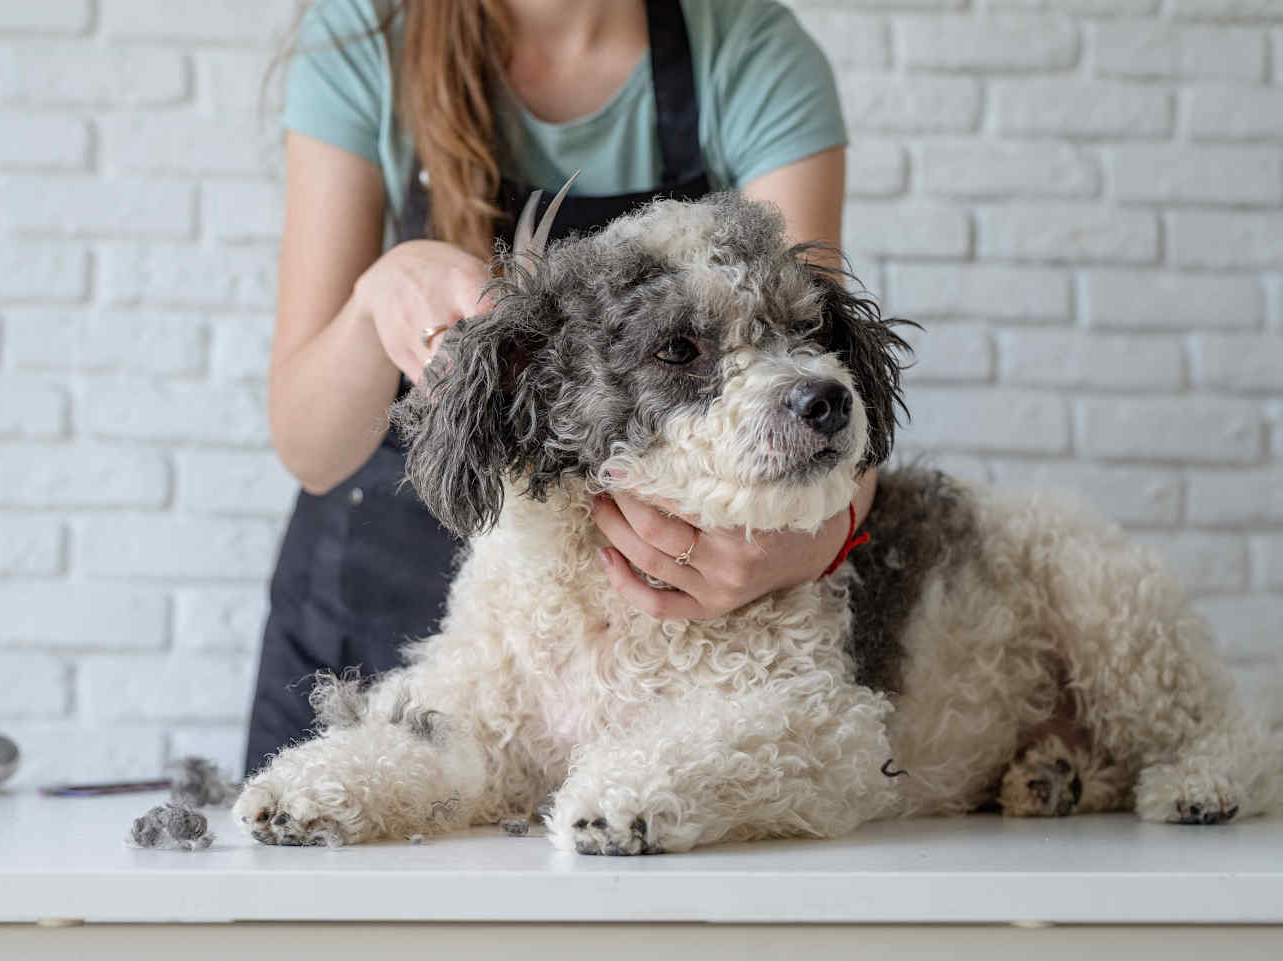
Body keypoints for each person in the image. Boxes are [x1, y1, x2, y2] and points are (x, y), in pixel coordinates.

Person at [244, 0, 879, 776]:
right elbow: (310, 449)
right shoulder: (369, 33)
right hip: (367, 620)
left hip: (657, 655)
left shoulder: (748, 49)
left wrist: (803, 547)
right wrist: (380, 293)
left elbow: (819, 392)